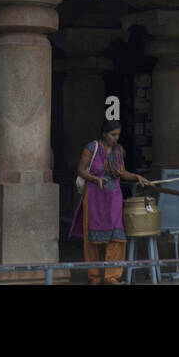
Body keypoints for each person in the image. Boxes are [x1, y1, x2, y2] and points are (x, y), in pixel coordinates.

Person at [68, 119, 149, 284]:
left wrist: (136, 177)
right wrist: (94, 178)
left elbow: (121, 172)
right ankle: (95, 276)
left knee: (117, 237)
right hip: (94, 198)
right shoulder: (92, 148)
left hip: (114, 198)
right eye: (113, 135)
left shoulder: (119, 151)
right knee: (93, 239)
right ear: (104, 134)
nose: (116, 138)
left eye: (118, 135)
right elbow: (80, 170)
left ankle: (112, 276)